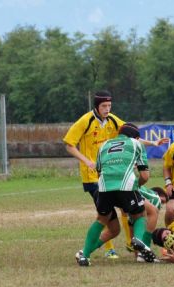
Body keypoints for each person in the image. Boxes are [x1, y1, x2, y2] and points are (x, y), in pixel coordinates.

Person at [64, 90, 167, 259]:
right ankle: (132, 247)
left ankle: (89, 252)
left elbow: (130, 134)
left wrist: (153, 142)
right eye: (104, 106)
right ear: (96, 106)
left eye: (109, 106)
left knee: (110, 221)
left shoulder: (112, 119)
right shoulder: (85, 120)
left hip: (107, 176)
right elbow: (69, 144)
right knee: (124, 215)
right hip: (93, 178)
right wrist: (86, 161)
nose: (107, 109)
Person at [75, 123, 156, 266]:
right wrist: (137, 186)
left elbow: (99, 171)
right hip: (126, 186)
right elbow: (144, 175)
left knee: (101, 220)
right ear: (135, 137)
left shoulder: (104, 145)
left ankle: (85, 256)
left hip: (104, 187)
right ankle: (137, 239)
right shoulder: (136, 144)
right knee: (140, 215)